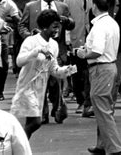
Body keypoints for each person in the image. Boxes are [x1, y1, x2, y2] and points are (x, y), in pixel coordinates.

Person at [10, 10, 76, 139]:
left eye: (58, 26)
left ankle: (20, 148)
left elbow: (53, 69)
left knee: (32, 123)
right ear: (45, 26)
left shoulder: (54, 45)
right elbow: (19, 61)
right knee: (35, 122)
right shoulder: (31, 41)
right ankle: (17, 146)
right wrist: (36, 51)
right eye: (54, 26)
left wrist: (68, 70)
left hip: (40, 88)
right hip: (27, 85)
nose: (57, 30)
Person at [76, 0, 121, 155]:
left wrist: (83, 53)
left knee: (102, 108)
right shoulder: (111, 22)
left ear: (94, 6)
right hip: (109, 66)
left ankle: (115, 148)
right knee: (104, 107)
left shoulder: (99, 25)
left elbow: (97, 51)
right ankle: (102, 144)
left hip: (101, 68)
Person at [63, 0, 96, 116]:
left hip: (90, 41)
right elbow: (65, 20)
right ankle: (80, 100)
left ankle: (88, 101)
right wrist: (68, 40)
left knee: (89, 73)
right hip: (75, 40)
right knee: (76, 73)